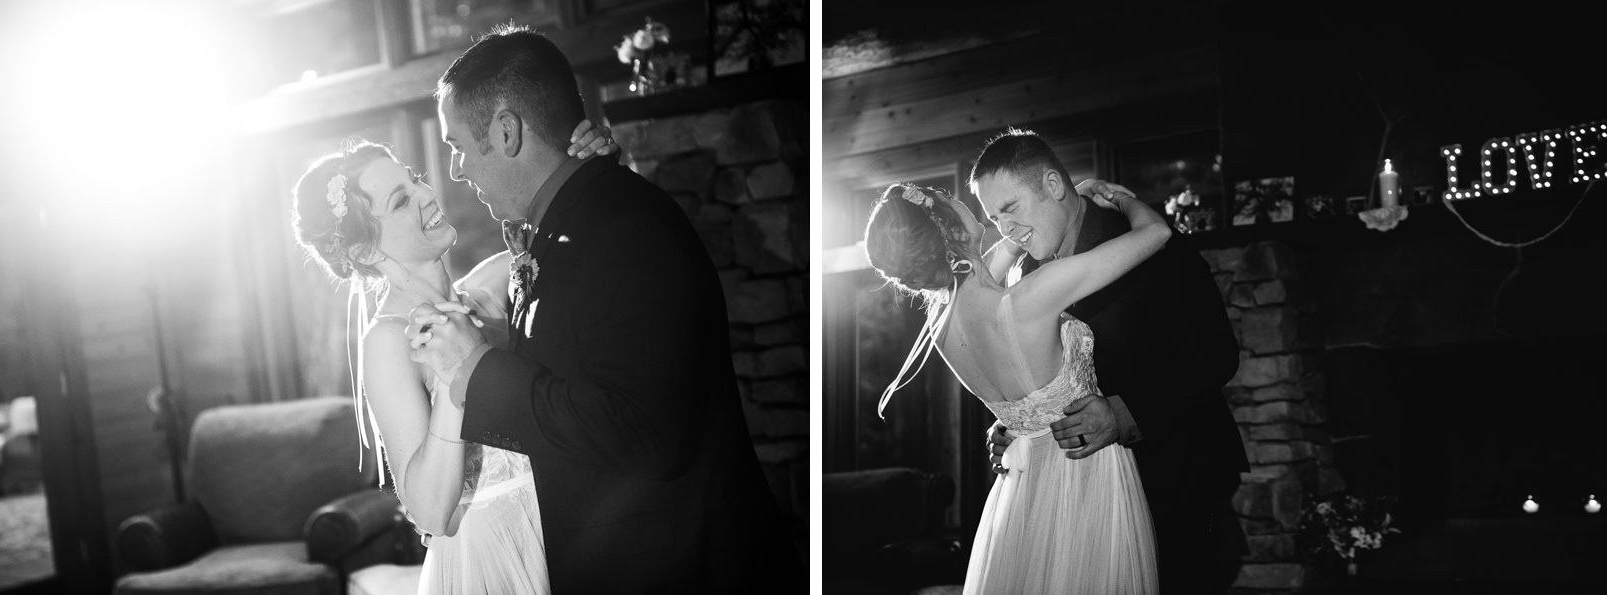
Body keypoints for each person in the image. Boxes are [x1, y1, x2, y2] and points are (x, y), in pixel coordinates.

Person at [403, 25, 795, 594]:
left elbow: (644, 433)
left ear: (508, 131)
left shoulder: (620, 232)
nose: (457, 170)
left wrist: (477, 367)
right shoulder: (572, 223)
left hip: (685, 567)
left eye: (459, 145)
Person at [289, 122, 616, 594]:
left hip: (574, 529)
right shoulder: (388, 342)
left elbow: (587, 233)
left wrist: (596, 169)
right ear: (364, 250)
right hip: (493, 557)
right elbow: (429, 511)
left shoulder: (491, 285)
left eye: (413, 179)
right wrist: (453, 376)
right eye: (400, 201)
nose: (426, 194)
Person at [865, 175, 1171, 593]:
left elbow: (987, 267)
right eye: (948, 198)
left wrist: (1072, 195)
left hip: (1023, 490)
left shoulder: (940, 325)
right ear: (949, 228)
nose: (961, 202)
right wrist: (1117, 199)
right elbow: (1156, 233)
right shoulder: (1031, 298)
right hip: (1085, 474)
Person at [976, 129, 1248, 595]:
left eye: (1011, 209)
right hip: (1082, 497)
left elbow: (1215, 353)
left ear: (1053, 186)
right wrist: (1017, 422)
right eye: (994, 219)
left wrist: (1124, 414)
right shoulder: (1025, 270)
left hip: (1176, 474)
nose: (1006, 231)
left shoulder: (1143, 244)